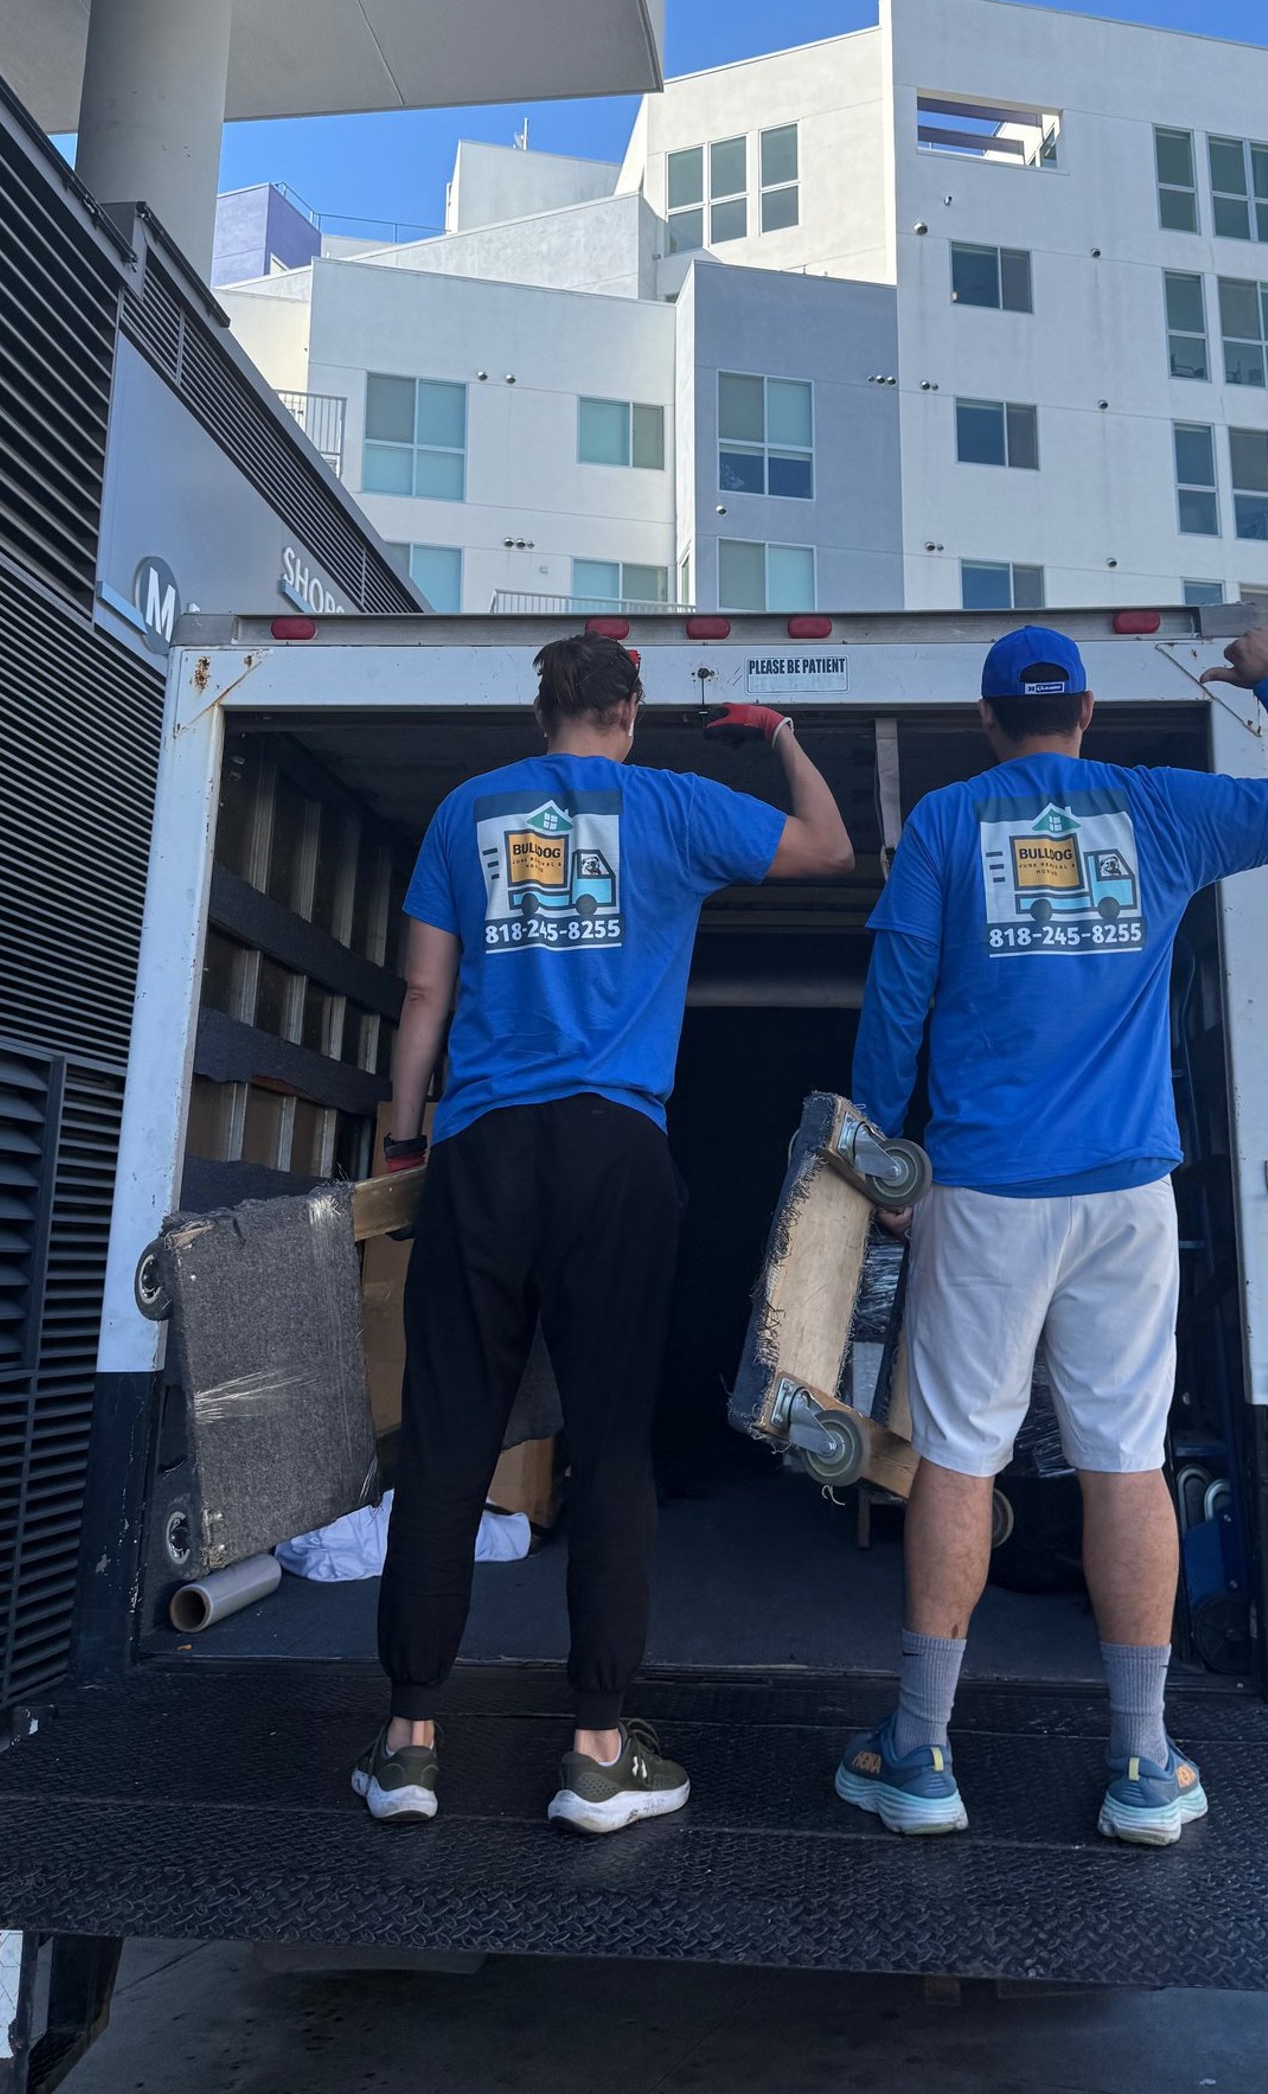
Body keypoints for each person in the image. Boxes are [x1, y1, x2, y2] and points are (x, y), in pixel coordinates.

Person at [835, 621, 1268, 1845]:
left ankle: (918, 1754)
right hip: (1128, 1195)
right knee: (1125, 1460)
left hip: (982, 1189)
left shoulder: (947, 823)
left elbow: (897, 999)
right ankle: (1143, 1763)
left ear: (987, 723)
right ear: (1085, 714)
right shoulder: (1161, 810)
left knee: (960, 1456)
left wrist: (881, 1160)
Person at [358, 632, 853, 1835]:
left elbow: (424, 993)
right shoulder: (674, 805)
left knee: (446, 1440)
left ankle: (410, 1743)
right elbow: (832, 846)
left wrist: (404, 1137)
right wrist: (780, 736)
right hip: (616, 1153)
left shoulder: (467, 812)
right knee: (614, 1443)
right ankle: (595, 1750)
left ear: (543, 712)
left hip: (484, 1150)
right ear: (627, 711)